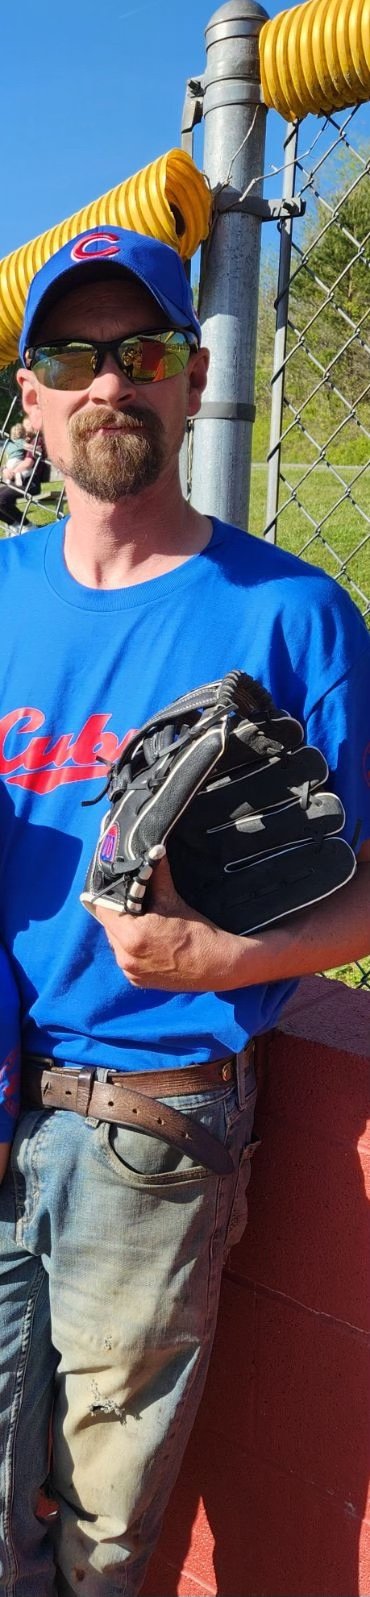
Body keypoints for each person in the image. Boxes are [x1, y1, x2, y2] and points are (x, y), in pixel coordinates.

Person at [0, 224, 369, 1597]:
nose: (109, 382)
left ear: (193, 376)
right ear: (30, 394)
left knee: (104, 1530)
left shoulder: (291, 617)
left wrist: (224, 954)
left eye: (140, 351)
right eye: (71, 356)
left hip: (147, 1120)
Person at [0, 416, 48, 529]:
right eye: (24, 425)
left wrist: (11, 472)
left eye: (27, 425)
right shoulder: (22, 443)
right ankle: (16, 526)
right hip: (18, 482)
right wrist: (5, 469)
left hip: (30, 483)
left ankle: (29, 526)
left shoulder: (36, 441)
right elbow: (12, 460)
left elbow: (28, 463)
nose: (24, 428)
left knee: (1, 499)